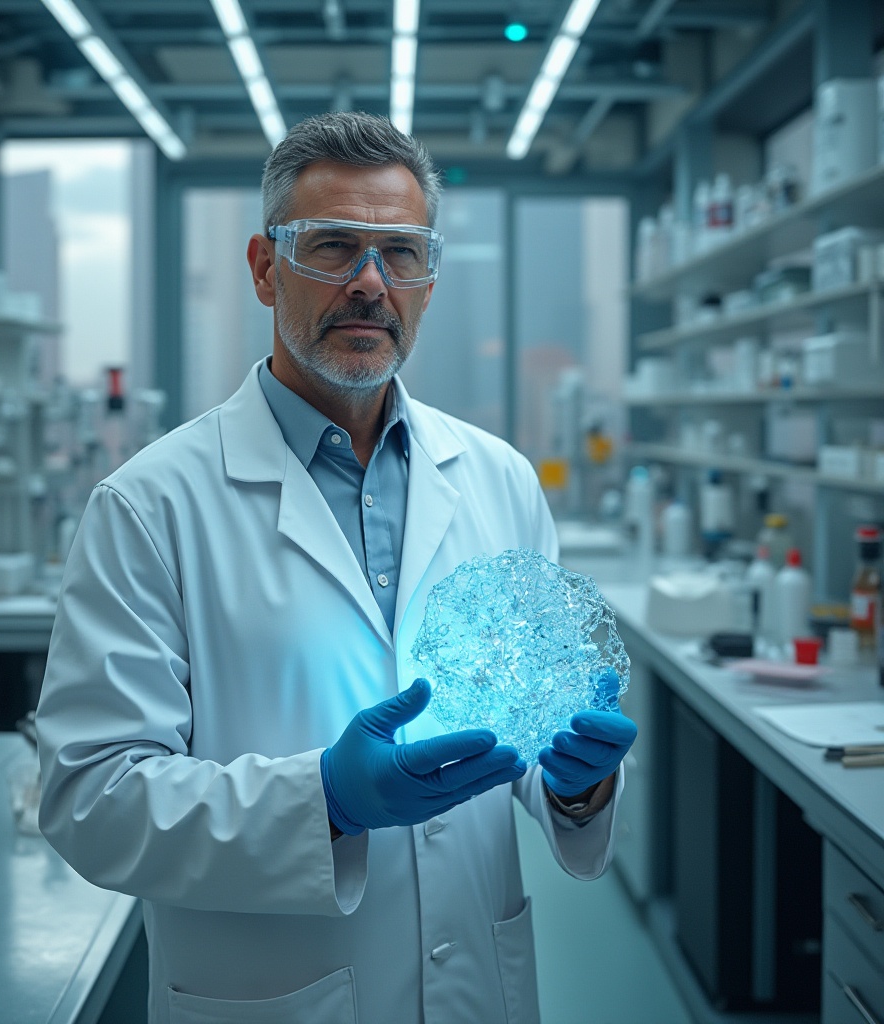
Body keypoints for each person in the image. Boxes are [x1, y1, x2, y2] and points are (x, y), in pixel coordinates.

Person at [36, 111, 637, 1024]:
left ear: (428, 281)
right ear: (264, 267)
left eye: (400, 253)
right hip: (269, 993)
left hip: (477, 979)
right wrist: (325, 800)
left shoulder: (500, 480)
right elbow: (92, 799)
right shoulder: (150, 504)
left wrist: (575, 783)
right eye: (333, 248)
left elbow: (519, 733)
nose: (369, 283)